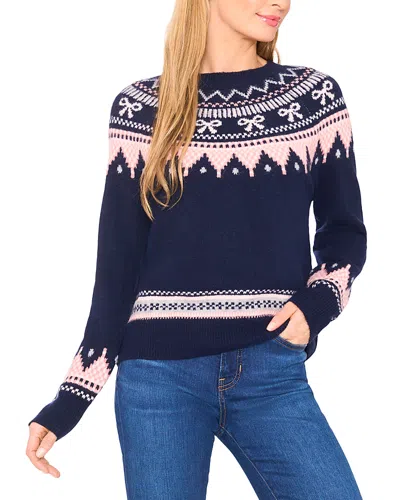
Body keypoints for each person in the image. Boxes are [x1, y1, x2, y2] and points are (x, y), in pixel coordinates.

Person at [26, 0, 367, 498]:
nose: (280, 2)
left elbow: (345, 231)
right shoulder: (141, 107)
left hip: (271, 370)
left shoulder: (313, 97)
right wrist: (71, 399)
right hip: (158, 380)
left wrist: (317, 306)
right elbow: (118, 267)